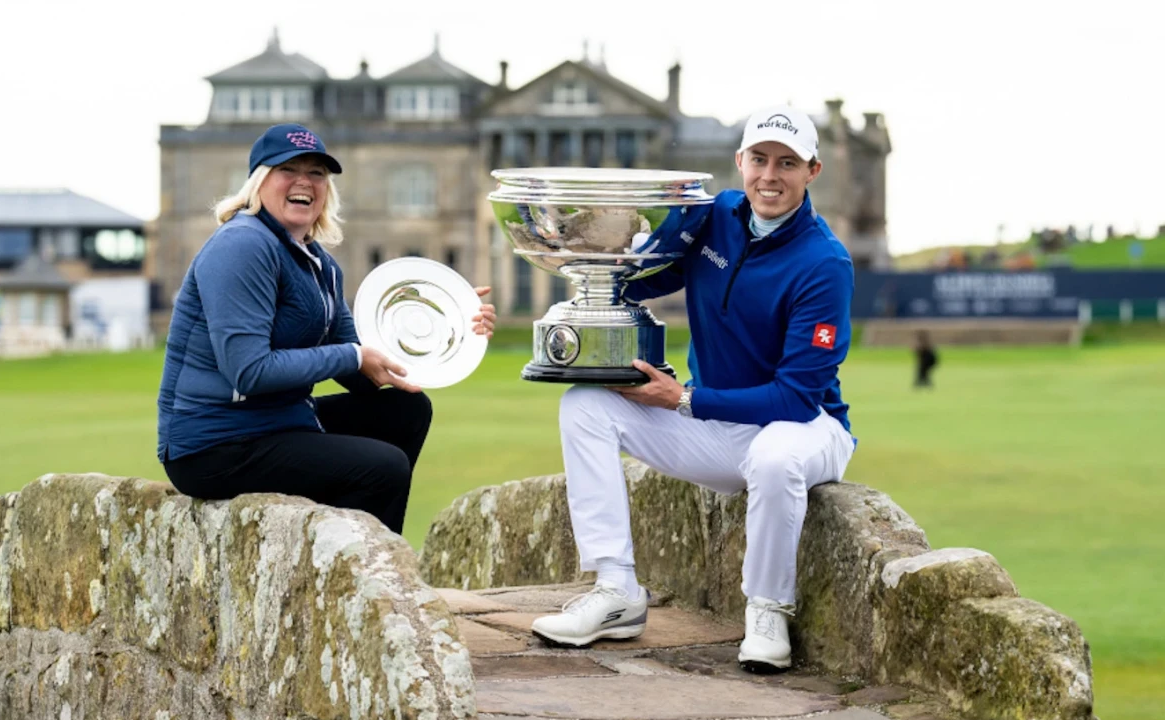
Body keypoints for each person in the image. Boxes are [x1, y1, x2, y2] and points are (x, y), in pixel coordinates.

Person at [531, 106, 857, 674]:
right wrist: (584, 266)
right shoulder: (721, 215)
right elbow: (649, 276)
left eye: (787, 163)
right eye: (759, 160)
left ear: (813, 171)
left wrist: (682, 399)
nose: (770, 176)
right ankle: (616, 593)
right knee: (585, 404)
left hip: (807, 430)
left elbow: (797, 399)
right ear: (740, 163)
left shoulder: (824, 264)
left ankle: (766, 609)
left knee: (777, 456)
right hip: (717, 428)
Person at [156, 123, 496, 535]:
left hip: (280, 422)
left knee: (406, 411)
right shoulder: (242, 244)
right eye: (288, 169)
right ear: (259, 182)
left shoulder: (320, 265)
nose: (304, 182)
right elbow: (248, 371)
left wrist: (454, 320)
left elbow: (363, 374)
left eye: (316, 173)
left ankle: (339, 549)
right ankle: (369, 582)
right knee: (382, 467)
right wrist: (353, 355)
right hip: (214, 444)